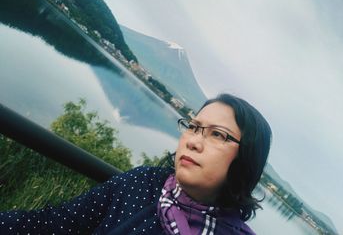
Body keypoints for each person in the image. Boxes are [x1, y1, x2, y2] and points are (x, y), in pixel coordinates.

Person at [0, 93, 272, 234]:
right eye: (193, 127)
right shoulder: (142, 183)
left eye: (217, 134)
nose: (193, 141)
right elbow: (51, 225)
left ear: (246, 159)